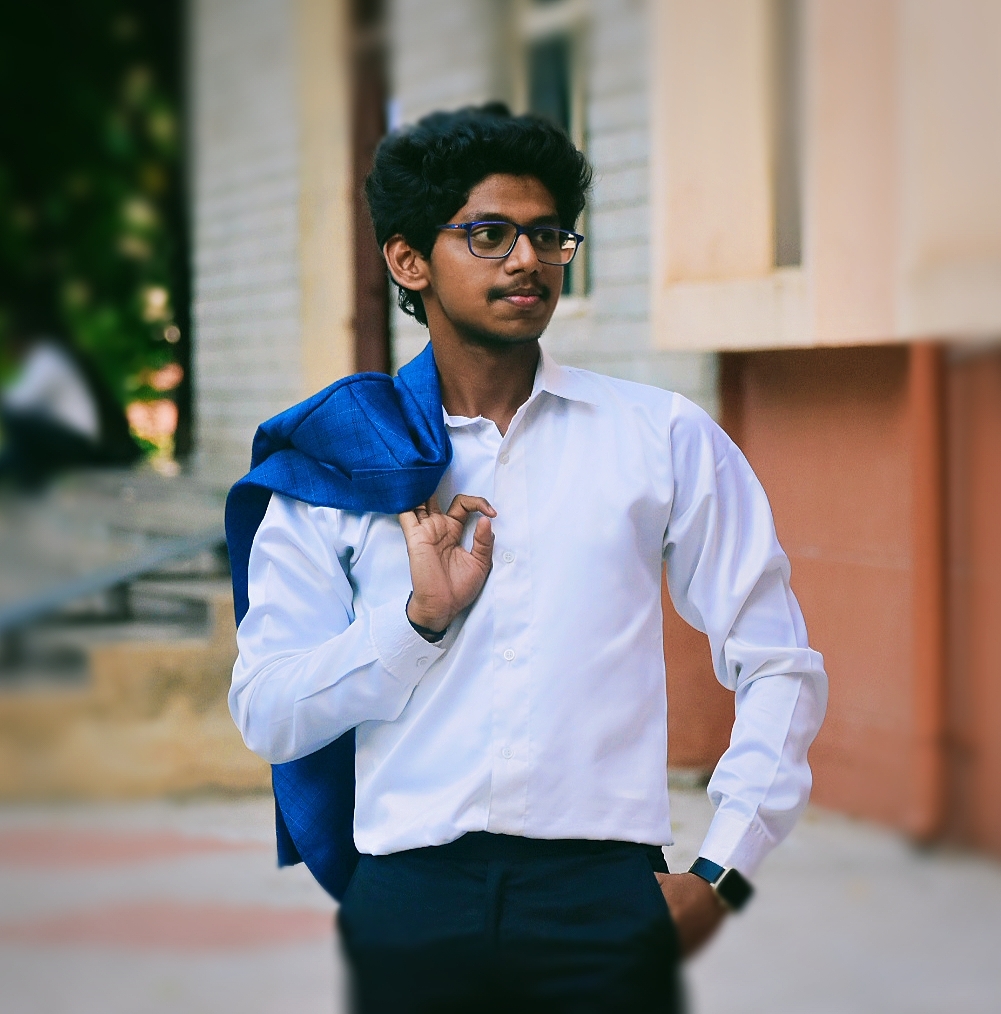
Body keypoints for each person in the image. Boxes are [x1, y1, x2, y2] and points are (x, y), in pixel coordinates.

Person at [228, 105, 827, 1013]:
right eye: (489, 235)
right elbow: (268, 714)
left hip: (605, 901)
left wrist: (723, 872)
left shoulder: (659, 438)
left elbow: (777, 660)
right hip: (408, 902)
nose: (527, 261)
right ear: (408, 260)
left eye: (548, 236)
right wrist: (415, 625)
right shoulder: (339, 460)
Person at [0, 317, 140, 488]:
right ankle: (26, 477)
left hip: (75, 441)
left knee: (14, 417)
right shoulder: (44, 358)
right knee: (16, 450)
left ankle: (30, 479)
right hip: (65, 438)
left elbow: (21, 401)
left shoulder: (46, 358)